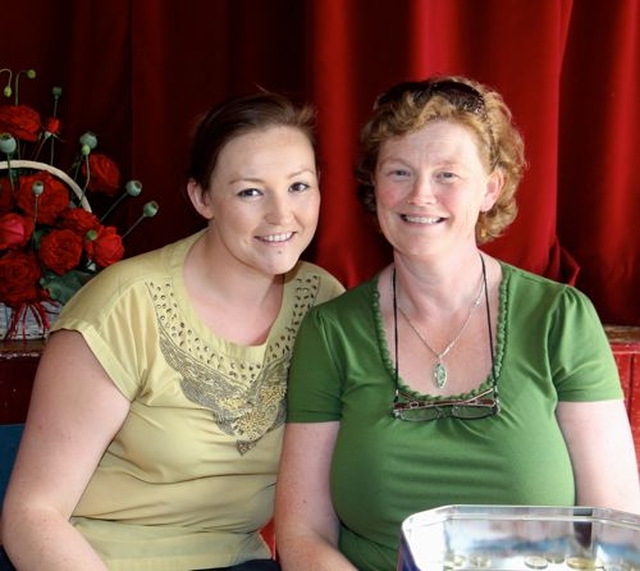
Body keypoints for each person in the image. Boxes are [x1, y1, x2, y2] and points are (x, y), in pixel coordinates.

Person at [274, 75, 640, 571]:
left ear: (491, 188)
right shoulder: (331, 331)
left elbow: (615, 530)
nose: (420, 195)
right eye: (399, 172)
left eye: (447, 175)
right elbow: (303, 536)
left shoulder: (560, 319)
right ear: (374, 186)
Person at [1, 91, 344, 570]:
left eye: (299, 186)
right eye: (250, 191)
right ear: (202, 198)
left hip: (243, 562)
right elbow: (32, 514)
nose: (282, 214)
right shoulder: (125, 306)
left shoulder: (323, 301)